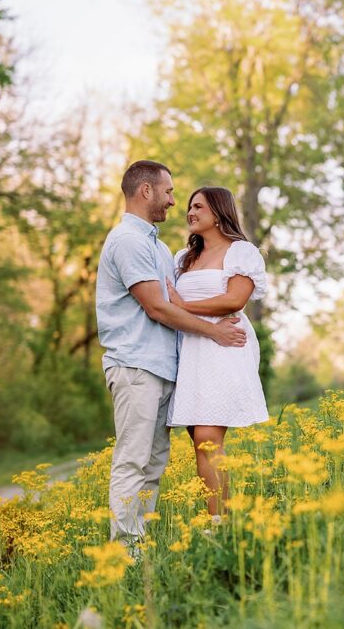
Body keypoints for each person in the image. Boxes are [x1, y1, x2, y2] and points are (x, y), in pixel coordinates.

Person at [95, 161, 246, 552]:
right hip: (135, 365)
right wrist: (215, 332)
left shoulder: (159, 247)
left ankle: (140, 542)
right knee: (133, 459)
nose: (173, 201)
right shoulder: (127, 241)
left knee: (154, 463)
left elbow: (182, 301)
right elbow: (158, 308)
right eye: (169, 192)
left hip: (163, 369)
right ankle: (125, 549)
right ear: (146, 191)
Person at [165, 186, 270, 518]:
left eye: (198, 206)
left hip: (225, 345)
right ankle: (215, 519)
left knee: (209, 437)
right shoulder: (183, 259)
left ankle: (220, 522)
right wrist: (181, 310)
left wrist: (185, 306)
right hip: (191, 349)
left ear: (218, 211)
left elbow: (235, 299)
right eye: (189, 207)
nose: (190, 212)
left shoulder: (241, 252)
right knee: (198, 439)